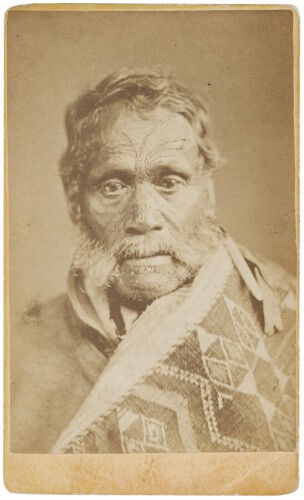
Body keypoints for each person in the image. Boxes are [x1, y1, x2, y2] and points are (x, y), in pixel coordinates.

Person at [10, 68, 297, 454]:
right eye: (113, 186)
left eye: (169, 182)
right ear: (75, 200)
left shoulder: (289, 319)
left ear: (207, 191)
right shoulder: (19, 353)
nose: (144, 217)